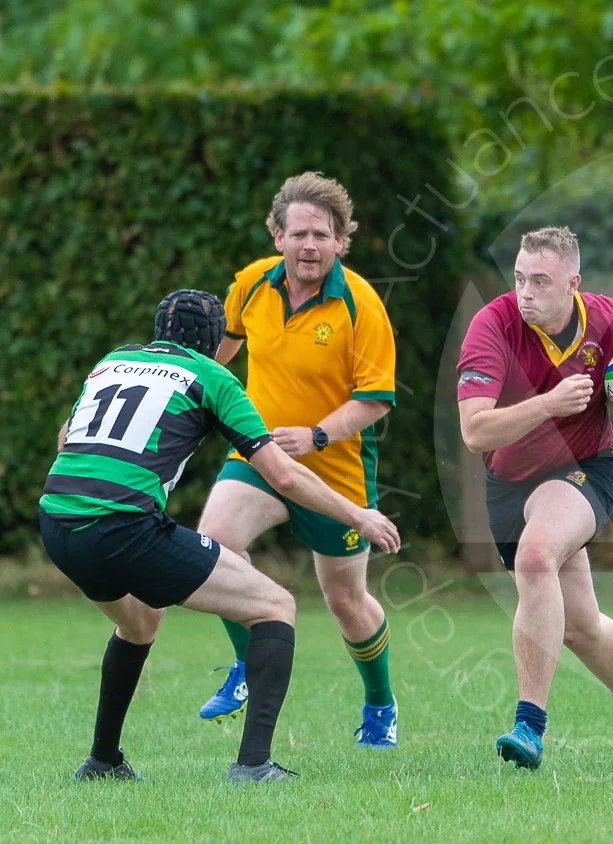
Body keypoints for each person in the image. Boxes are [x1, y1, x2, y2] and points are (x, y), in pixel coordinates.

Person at [41, 290, 400, 783]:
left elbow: (67, 439)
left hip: (57, 521)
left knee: (141, 621)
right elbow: (286, 477)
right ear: (215, 344)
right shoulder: (212, 376)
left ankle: (103, 762)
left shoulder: (113, 362)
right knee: (275, 606)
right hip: (122, 526)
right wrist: (357, 516)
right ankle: (253, 766)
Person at [457, 226, 613, 771]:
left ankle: (529, 726)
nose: (525, 292)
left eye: (540, 281)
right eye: (519, 278)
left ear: (573, 283)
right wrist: (548, 404)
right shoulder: (493, 325)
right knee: (581, 627)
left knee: (537, 555)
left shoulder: (607, 318)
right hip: (508, 482)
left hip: (584, 469)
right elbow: (475, 433)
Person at [195, 173, 402, 749]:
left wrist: (315, 436)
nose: (309, 245)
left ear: (341, 241)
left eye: (322, 234)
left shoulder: (361, 304)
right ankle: (243, 669)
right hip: (259, 458)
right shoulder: (249, 287)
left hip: (335, 470)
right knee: (215, 542)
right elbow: (216, 357)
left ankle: (380, 704)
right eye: (298, 234)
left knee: (345, 601)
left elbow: (374, 400)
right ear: (277, 235)